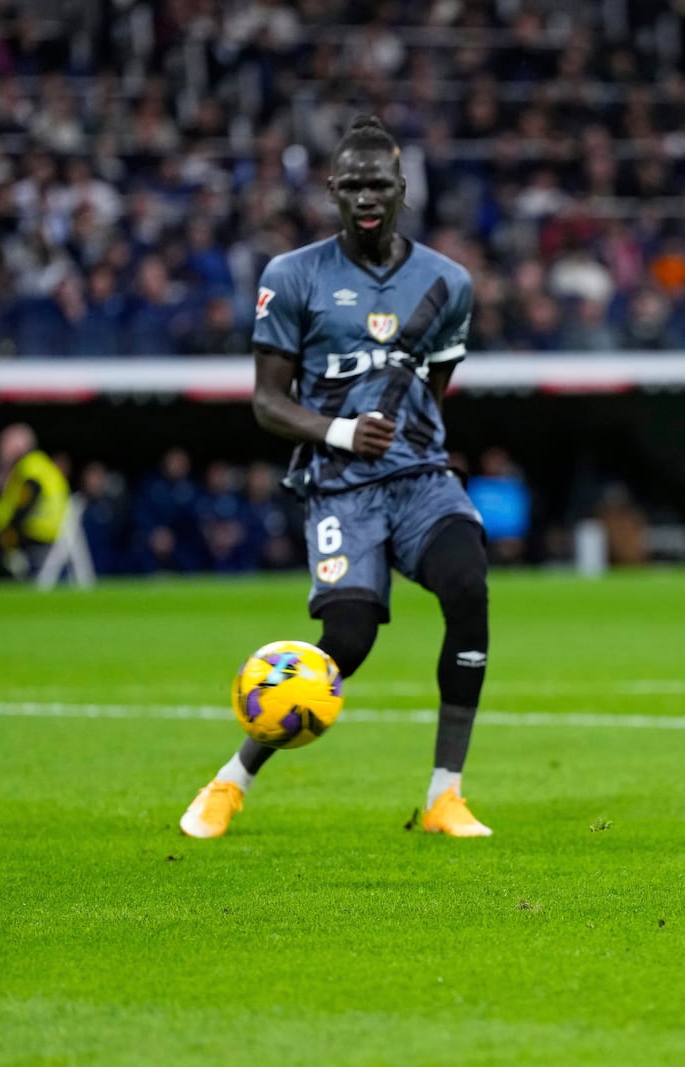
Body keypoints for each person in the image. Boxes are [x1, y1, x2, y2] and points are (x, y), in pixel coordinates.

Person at [180, 116, 492, 840]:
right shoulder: (293, 276)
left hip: (419, 478)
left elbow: (430, 388)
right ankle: (230, 781)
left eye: (377, 181)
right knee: (344, 642)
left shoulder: (449, 283)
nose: (365, 196)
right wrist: (342, 431)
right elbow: (266, 402)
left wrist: (416, 444)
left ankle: (447, 794)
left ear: (402, 187)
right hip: (340, 486)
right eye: (350, 184)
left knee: (469, 586)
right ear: (330, 191)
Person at [0, 422, 69, 578]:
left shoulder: (29, 466)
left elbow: (27, 500)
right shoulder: (41, 463)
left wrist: (10, 526)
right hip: (53, 528)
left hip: (39, 529)